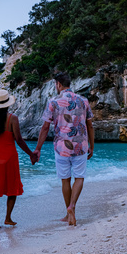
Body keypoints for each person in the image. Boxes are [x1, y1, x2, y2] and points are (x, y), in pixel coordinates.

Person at [34, 72, 94, 226]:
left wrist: (38, 149)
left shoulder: (53, 102)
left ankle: (68, 212)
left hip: (61, 147)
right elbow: (89, 125)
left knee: (65, 180)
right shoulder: (83, 101)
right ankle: (72, 207)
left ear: (58, 84)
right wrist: (92, 145)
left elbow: (45, 127)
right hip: (81, 145)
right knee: (79, 177)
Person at [0, 89, 37, 231]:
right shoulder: (12, 118)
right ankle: (8, 217)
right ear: (7, 104)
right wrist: (31, 154)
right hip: (10, 157)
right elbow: (19, 140)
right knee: (12, 188)